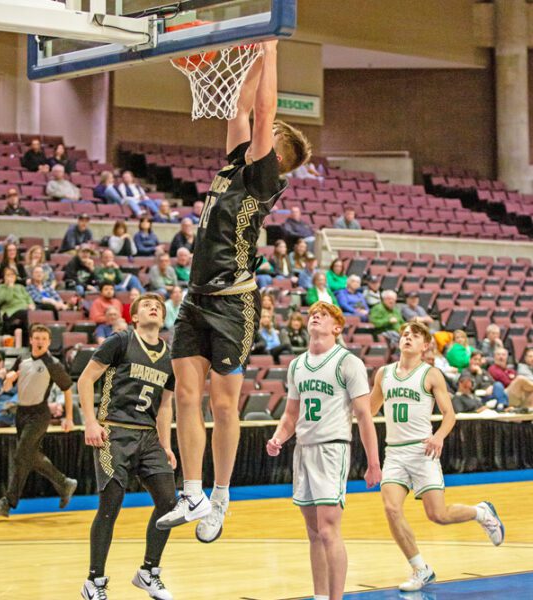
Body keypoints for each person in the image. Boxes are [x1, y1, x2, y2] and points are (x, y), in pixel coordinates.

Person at [158, 40, 311, 540]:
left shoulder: (264, 176)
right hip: (197, 296)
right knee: (184, 393)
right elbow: (242, 106)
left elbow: (263, 109)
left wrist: (270, 46)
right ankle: (194, 491)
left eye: (263, 137)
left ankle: (222, 495)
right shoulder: (232, 165)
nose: (250, 134)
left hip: (234, 302)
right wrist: (246, 60)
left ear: (275, 152)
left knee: (223, 406)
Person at [370, 321, 504, 592]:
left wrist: (439, 436)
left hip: (423, 450)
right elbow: (368, 410)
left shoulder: (431, 374)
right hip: (394, 452)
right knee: (391, 509)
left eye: (415, 336)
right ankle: (420, 569)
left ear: (426, 345)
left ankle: (481, 512)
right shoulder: (383, 374)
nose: (408, 338)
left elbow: (449, 415)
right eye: (405, 334)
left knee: (438, 515)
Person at [266, 302, 381, 600]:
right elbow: (290, 416)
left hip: (332, 449)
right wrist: (278, 438)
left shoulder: (347, 362)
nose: (315, 316)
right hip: (302, 450)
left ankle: (336, 598)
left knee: (329, 529)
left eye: (324, 315)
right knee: (314, 532)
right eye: (312, 314)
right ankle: (319, 596)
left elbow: (364, 415)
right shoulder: (297, 365)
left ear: (337, 327)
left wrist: (373, 462)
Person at [78, 293, 177, 600]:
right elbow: (84, 380)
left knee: (169, 503)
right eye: (147, 305)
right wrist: (91, 422)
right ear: (134, 316)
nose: (154, 308)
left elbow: (165, 407)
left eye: (159, 307)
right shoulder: (120, 341)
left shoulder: (169, 356)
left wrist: (166, 444)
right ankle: (94, 581)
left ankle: (149, 572)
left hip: (148, 437)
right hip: (115, 432)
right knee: (111, 506)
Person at [0, 324, 77, 517]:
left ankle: (7, 502)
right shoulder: (22, 359)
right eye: (37, 338)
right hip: (21, 413)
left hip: (39, 415)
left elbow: (67, 389)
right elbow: (8, 383)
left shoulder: (52, 363)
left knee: (21, 455)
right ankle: (64, 483)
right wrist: (8, 379)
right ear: (31, 340)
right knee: (28, 456)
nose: (40, 342)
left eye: (44, 339)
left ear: (49, 342)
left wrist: (68, 418)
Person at [0, 267, 35, 345]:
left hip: (25, 310)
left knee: (37, 313)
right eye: (8, 275)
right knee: (26, 314)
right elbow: (7, 299)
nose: (10, 277)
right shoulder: (1, 288)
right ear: (4, 277)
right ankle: (31, 340)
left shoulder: (20, 287)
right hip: (11, 312)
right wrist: (10, 287)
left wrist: (31, 304)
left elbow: (28, 297)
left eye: (12, 275)